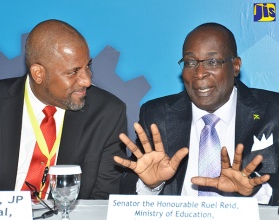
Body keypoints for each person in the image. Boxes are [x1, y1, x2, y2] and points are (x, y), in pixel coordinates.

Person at [0, 19, 127, 200]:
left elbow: (102, 199)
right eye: (73, 72)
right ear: (38, 73)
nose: (86, 81)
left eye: (87, 67)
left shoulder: (107, 113)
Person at [114, 22, 279, 205]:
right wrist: (151, 185)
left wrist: (255, 191)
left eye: (212, 62)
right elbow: (126, 188)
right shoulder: (157, 115)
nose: (199, 73)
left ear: (236, 66)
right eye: (190, 62)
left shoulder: (273, 111)